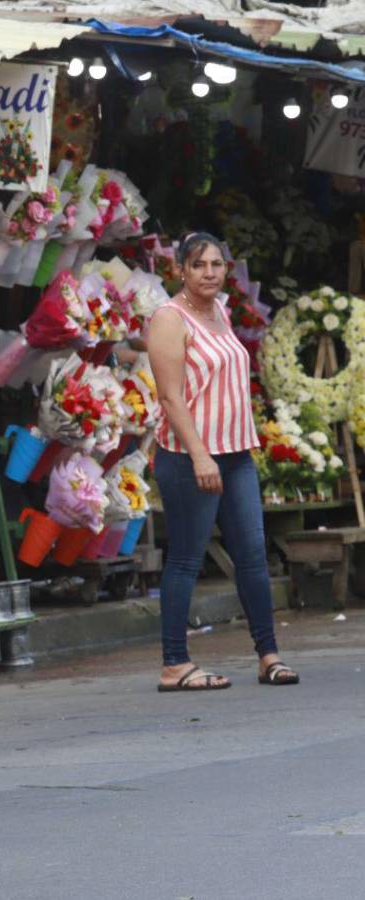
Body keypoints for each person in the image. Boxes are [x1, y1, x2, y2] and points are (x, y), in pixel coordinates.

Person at [146, 231, 299, 692]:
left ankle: (268, 655)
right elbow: (171, 397)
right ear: (181, 271)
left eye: (216, 264)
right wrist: (199, 455)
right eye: (199, 265)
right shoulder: (169, 320)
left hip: (236, 455)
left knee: (252, 555)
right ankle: (175, 663)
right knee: (187, 559)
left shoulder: (219, 312)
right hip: (190, 457)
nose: (209, 273)